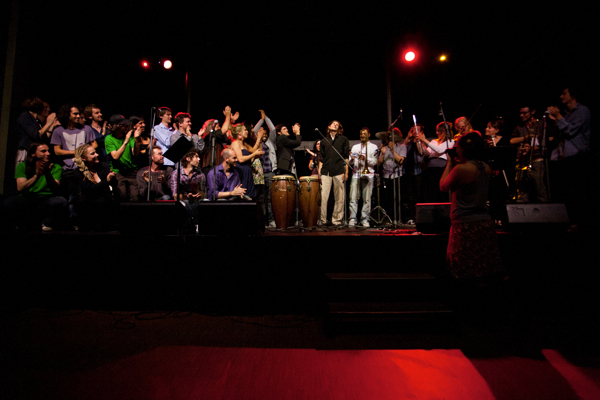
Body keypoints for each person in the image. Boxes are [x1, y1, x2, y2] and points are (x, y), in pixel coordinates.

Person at [440, 132, 503, 280]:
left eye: (458, 147)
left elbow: (443, 186)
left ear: (464, 150)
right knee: (484, 266)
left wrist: (450, 163)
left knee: (465, 268)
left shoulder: (461, 169)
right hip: (484, 222)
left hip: (465, 224)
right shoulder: (486, 167)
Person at [547, 87, 592, 227]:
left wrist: (559, 117)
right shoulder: (566, 114)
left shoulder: (582, 111)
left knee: (576, 191)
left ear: (572, 95)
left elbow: (571, 131)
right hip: (564, 157)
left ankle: (578, 222)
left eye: (564, 94)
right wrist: (556, 120)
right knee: (564, 191)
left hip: (577, 157)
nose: (561, 97)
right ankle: (565, 221)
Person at [1, 143, 67, 231]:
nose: (48, 153)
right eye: (43, 151)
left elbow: (56, 189)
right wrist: (36, 176)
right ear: (33, 154)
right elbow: (20, 187)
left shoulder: (56, 167)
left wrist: (47, 173)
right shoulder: (22, 166)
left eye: (48, 151)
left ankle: (46, 223)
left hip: (46, 200)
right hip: (28, 198)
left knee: (60, 201)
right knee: (9, 203)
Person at [73, 143, 117, 231]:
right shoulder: (78, 172)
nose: (97, 155)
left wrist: (111, 179)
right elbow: (89, 189)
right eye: (92, 154)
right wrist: (106, 181)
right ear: (83, 158)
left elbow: (114, 184)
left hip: (104, 202)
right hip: (88, 205)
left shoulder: (103, 166)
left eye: (96, 152)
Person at [510, 105, 549, 203]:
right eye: (520, 113)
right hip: (523, 161)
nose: (521, 115)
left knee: (539, 188)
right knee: (522, 190)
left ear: (533, 112)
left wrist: (531, 147)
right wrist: (526, 138)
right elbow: (512, 141)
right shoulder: (520, 127)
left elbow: (546, 142)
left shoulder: (540, 124)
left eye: (524, 113)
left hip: (537, 159)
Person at [104, 114, 141, 202]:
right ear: (116, 126)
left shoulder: (130, 136)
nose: (126, 126)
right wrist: (125, 141)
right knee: (122, 195)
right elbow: (115, 156)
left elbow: (135, 153)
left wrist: (135, 139)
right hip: (118, 173)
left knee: (135, 197)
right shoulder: (109, 138)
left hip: (131, 171)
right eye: (123, 124)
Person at [319, 120, 349, 226]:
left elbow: (346, 157)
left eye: (337, 124)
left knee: (339, 197)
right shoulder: (324, 141)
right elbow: (321, 159)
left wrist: (346, 172)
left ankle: (336, 220)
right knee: (323, 197)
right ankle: (322, 220)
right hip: (326, 171)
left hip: (339, 170)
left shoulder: (343, 139)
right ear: (329, 126)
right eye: (333, 123)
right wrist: (319, 173)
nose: (335, 125)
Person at [417, 122, 454, 203]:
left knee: (441, 191)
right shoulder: (434, 141)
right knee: (431, 191)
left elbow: (439, 150)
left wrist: (424, 140)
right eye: (436, 131)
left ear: (445, 132)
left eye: (439, 131)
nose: (437, 133)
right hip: (431, 168)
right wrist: (422, 143)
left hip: (441, 169)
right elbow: (427, 153)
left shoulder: (450, 142)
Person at [348, 128, 378, 227]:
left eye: (364, 134)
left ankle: (365, 219)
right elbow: (350, 162)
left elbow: (375, 162)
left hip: (368, 175)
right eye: (361, 134)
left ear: (369, 134)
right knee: (353, 197)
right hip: (356, 174)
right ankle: (352, 218)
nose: (362, 135)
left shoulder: (374, 147)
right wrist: (351, 159)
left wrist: (365, 158)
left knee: (367, 198)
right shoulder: (355, 147)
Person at [15, 97, 58, 164]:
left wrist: (52, 125)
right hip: (26, 150)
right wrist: (48, 123)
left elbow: (43, 138)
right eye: (45, 107)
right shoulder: (25, 116)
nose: (48, 110)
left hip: (34, 152)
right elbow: (36, 135)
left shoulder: (36, 121)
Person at [254, 110, 277, 227]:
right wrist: (261, 121)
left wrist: (266, 118)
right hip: (258, 173)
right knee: (261, 198)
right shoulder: (255, 141)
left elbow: (273, 129)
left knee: (270, 198)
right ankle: (262, 221)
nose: (263, 135)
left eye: (265, 134)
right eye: (261, 133)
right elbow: (253, 131)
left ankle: (271, 220)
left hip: (269, 173)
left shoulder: (270, 142)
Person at [377, 128, 405, 221]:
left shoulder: (402, 147)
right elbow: (379, 163)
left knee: (396, 198)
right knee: (387, 199)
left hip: (397, 176)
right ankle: (387, 219)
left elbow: (400, 160)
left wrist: (393, 150)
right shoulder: (384, 148)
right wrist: (382, 153)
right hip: (386, 176)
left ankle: (397, 218)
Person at [170, 149, 206, 224]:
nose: (199, 159)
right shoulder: (177, 173)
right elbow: (175, 195)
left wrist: (198, 193)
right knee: (181, 205)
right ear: (188, 159)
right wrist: (187, 197)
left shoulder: (200, 174)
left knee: (205, 202)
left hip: (196, 201)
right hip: (183, 201)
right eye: (196, 157)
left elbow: (204, 194)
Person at [400, 125, 425, 225]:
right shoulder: (409, 143)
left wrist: (418, 140)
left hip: (418, 171)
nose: (414, 132)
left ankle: (418, 217)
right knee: (410, 196)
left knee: (418, 195)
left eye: (416, 130)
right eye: (413, 130)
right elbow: (402, 148)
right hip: (408, 171)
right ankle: (411, 216)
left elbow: (421, 152)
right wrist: (407, 137)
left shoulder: (420, 142)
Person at [230, 124, 263, 199]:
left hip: (248, 172)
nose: (247, 131)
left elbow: (254, 151)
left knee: (251, 197)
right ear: (239, 133)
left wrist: (259, 139)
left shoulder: (245, 144)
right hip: (241, 173)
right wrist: (254, 154)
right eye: (245, 130)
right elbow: (240, 159)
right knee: (243, 197)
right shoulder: (235, 143)